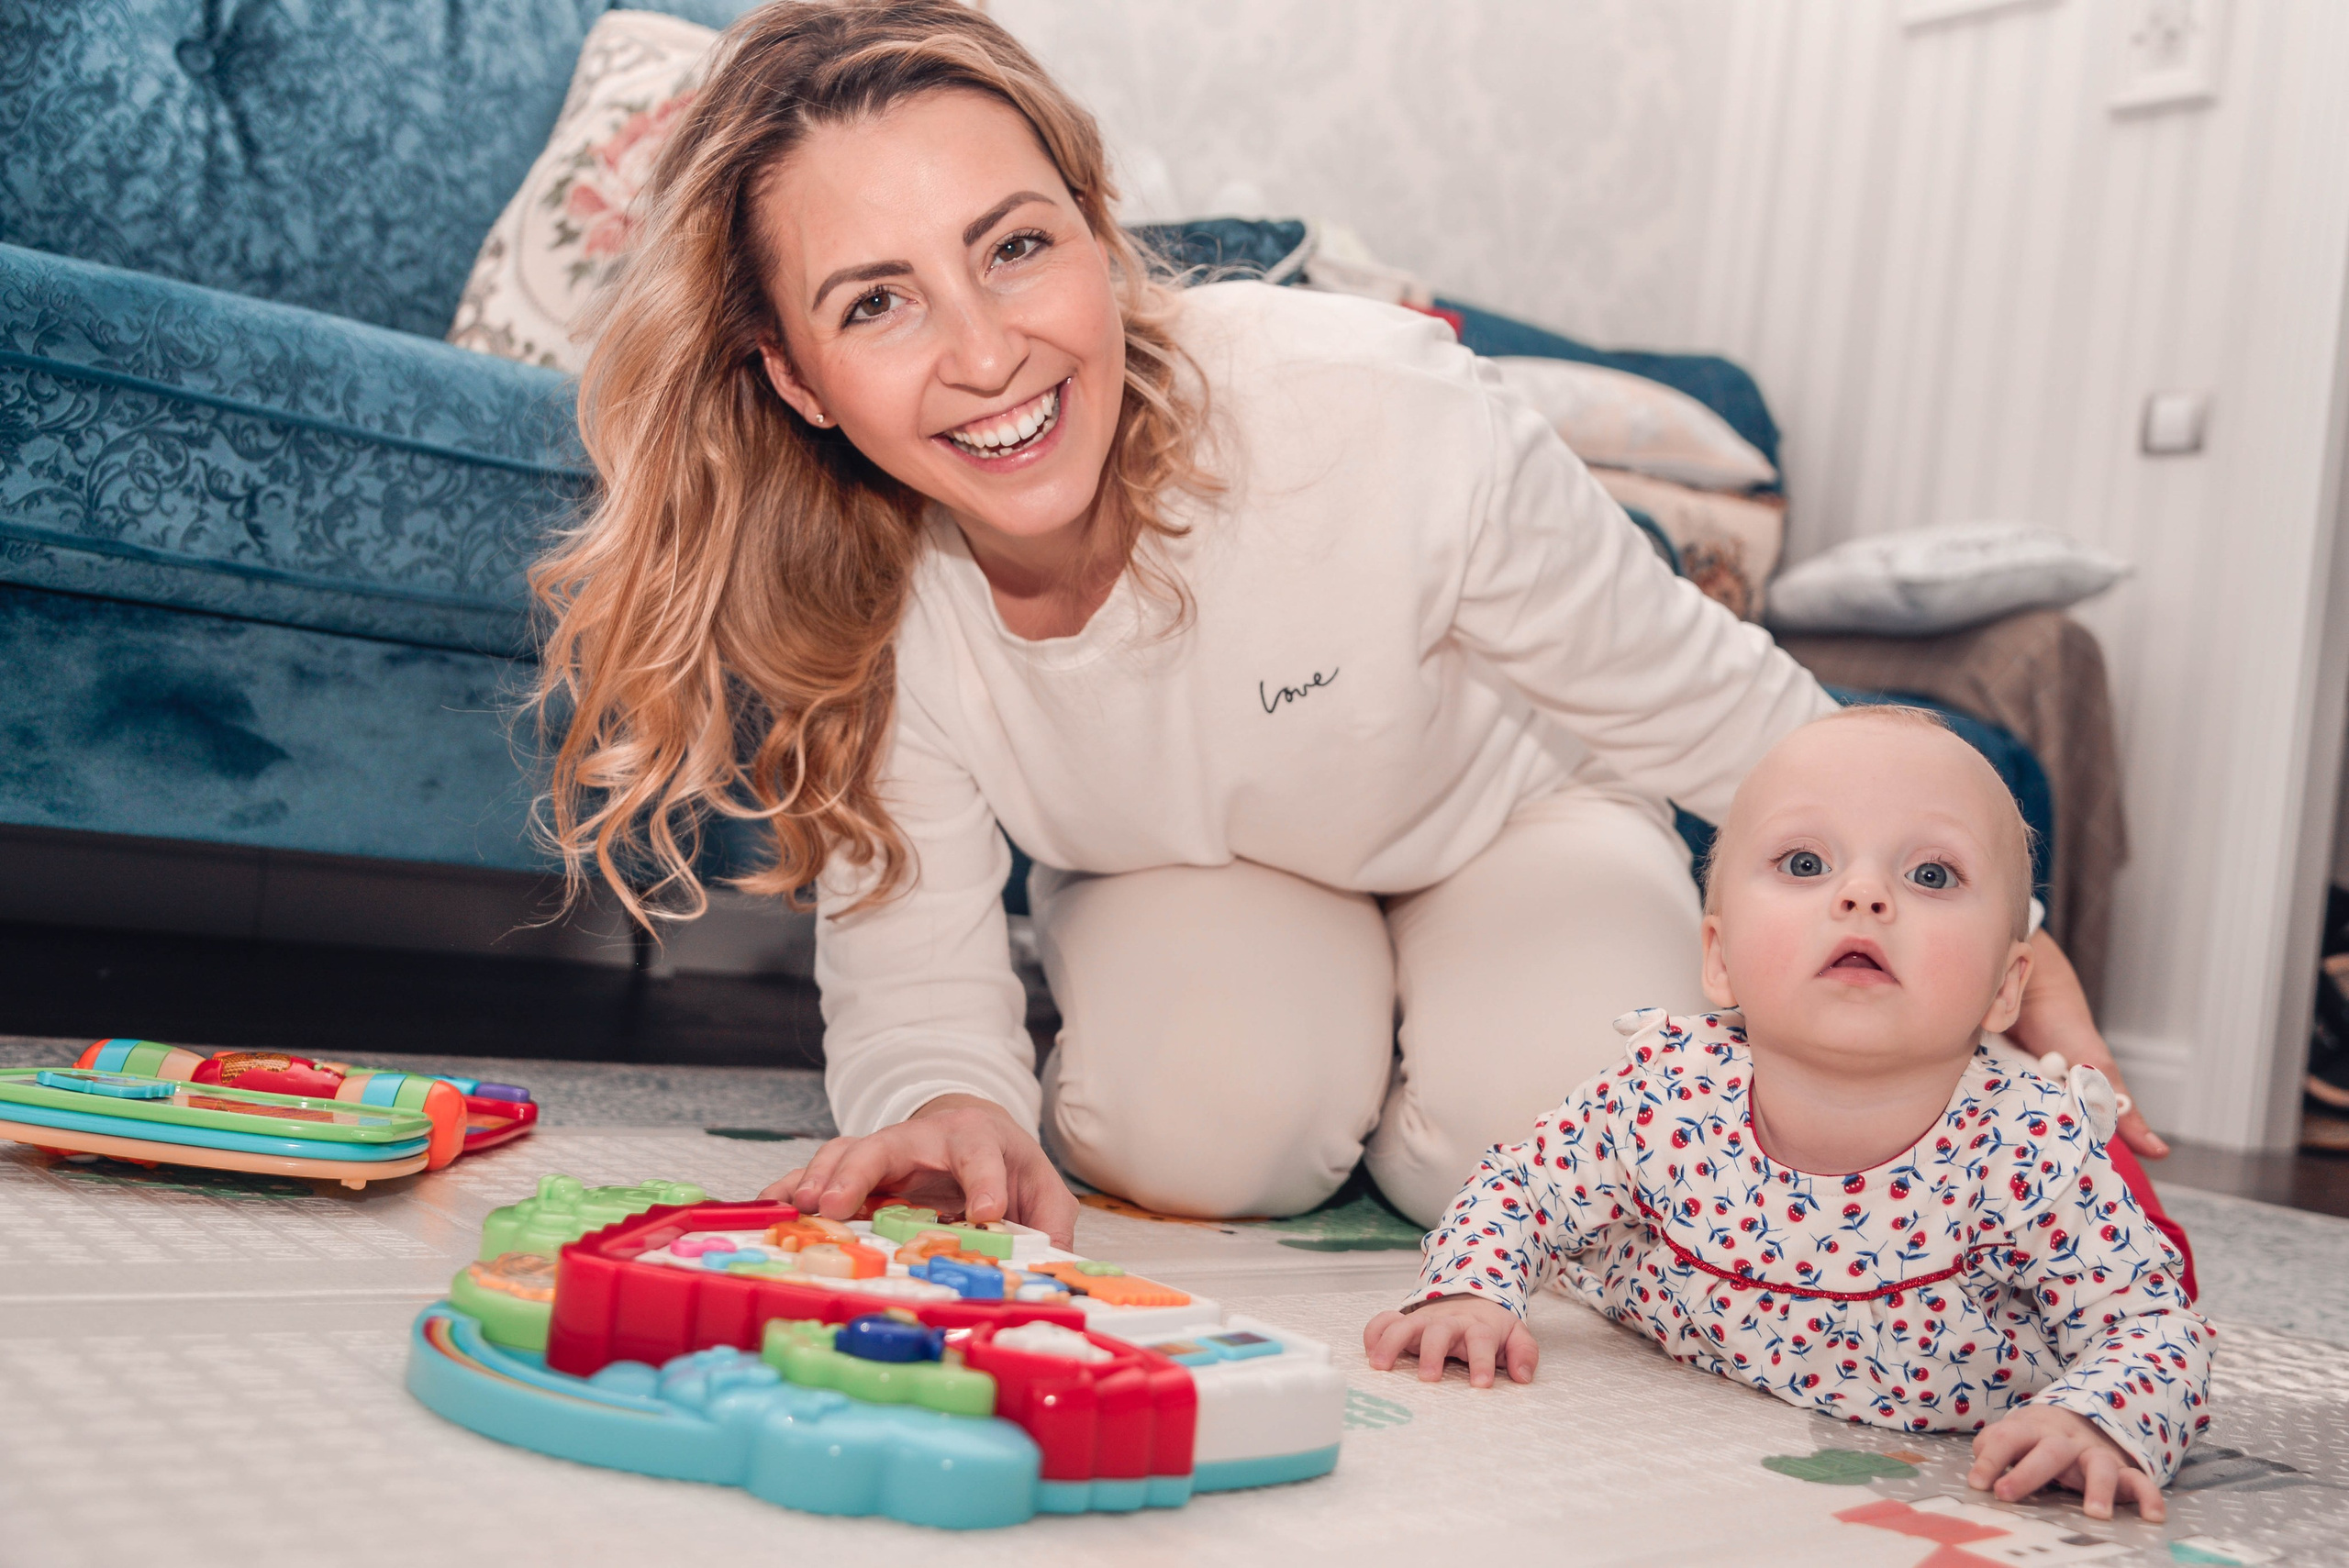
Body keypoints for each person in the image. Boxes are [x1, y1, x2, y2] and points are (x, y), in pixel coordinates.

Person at [532, 0, 2168, 1251]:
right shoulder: (861, 592)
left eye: (1015, 249)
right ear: (796, 377)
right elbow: (914, 961)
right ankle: (1335, 1054)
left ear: (1098, 237)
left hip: (1515, 810)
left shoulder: (1383, 412)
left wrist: (2008, 938)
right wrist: (944, 1105)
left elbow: (1710, 702)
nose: (982, 352)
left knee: (1565, 1147)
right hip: (1192, 863)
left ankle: (1441, 1055)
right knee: (1207, 1129)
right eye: (877, 301)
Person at [1363, 708, 2209, 1522]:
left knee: (2158, 1254)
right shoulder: (1668, 1091)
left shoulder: (2028, 1154)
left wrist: (2096, 1420)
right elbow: (1522, 1187)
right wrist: (1471, 1288)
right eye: (1806, 864)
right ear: (1719, 959)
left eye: (1932, 874)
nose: (1866, 894)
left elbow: (2152, 1327)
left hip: (2052, 1183)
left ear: (2006, 986)